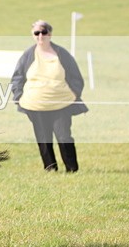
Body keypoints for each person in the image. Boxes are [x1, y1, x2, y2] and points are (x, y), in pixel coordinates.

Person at [10, 20, 87, 172]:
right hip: (35, 106)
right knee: (43, 139)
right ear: (33, 35)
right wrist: (18, 97)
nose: (40, 36)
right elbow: (17, 78)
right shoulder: (27, 55)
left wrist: (74, 93)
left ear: (50, 34)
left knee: (64, 137)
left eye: (43, 32)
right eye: (37, 33)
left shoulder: (62, 54)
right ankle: (50, 168)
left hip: (61, 105)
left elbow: (76, 77)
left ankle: (72, 169)